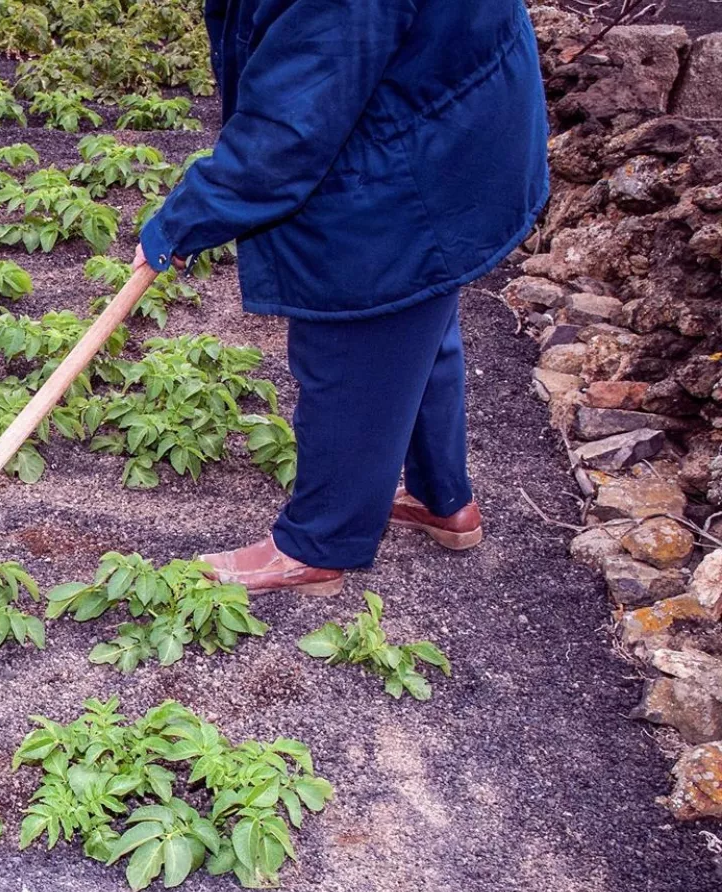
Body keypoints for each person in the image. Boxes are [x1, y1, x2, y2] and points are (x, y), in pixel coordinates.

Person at [137, 0, 548, 594]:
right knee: (415, 311)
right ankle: (442, 497)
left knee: (354, 320)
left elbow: (291, 125)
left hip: (424, 139)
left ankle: (319, 544)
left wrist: (183, 221)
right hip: (454, 114)